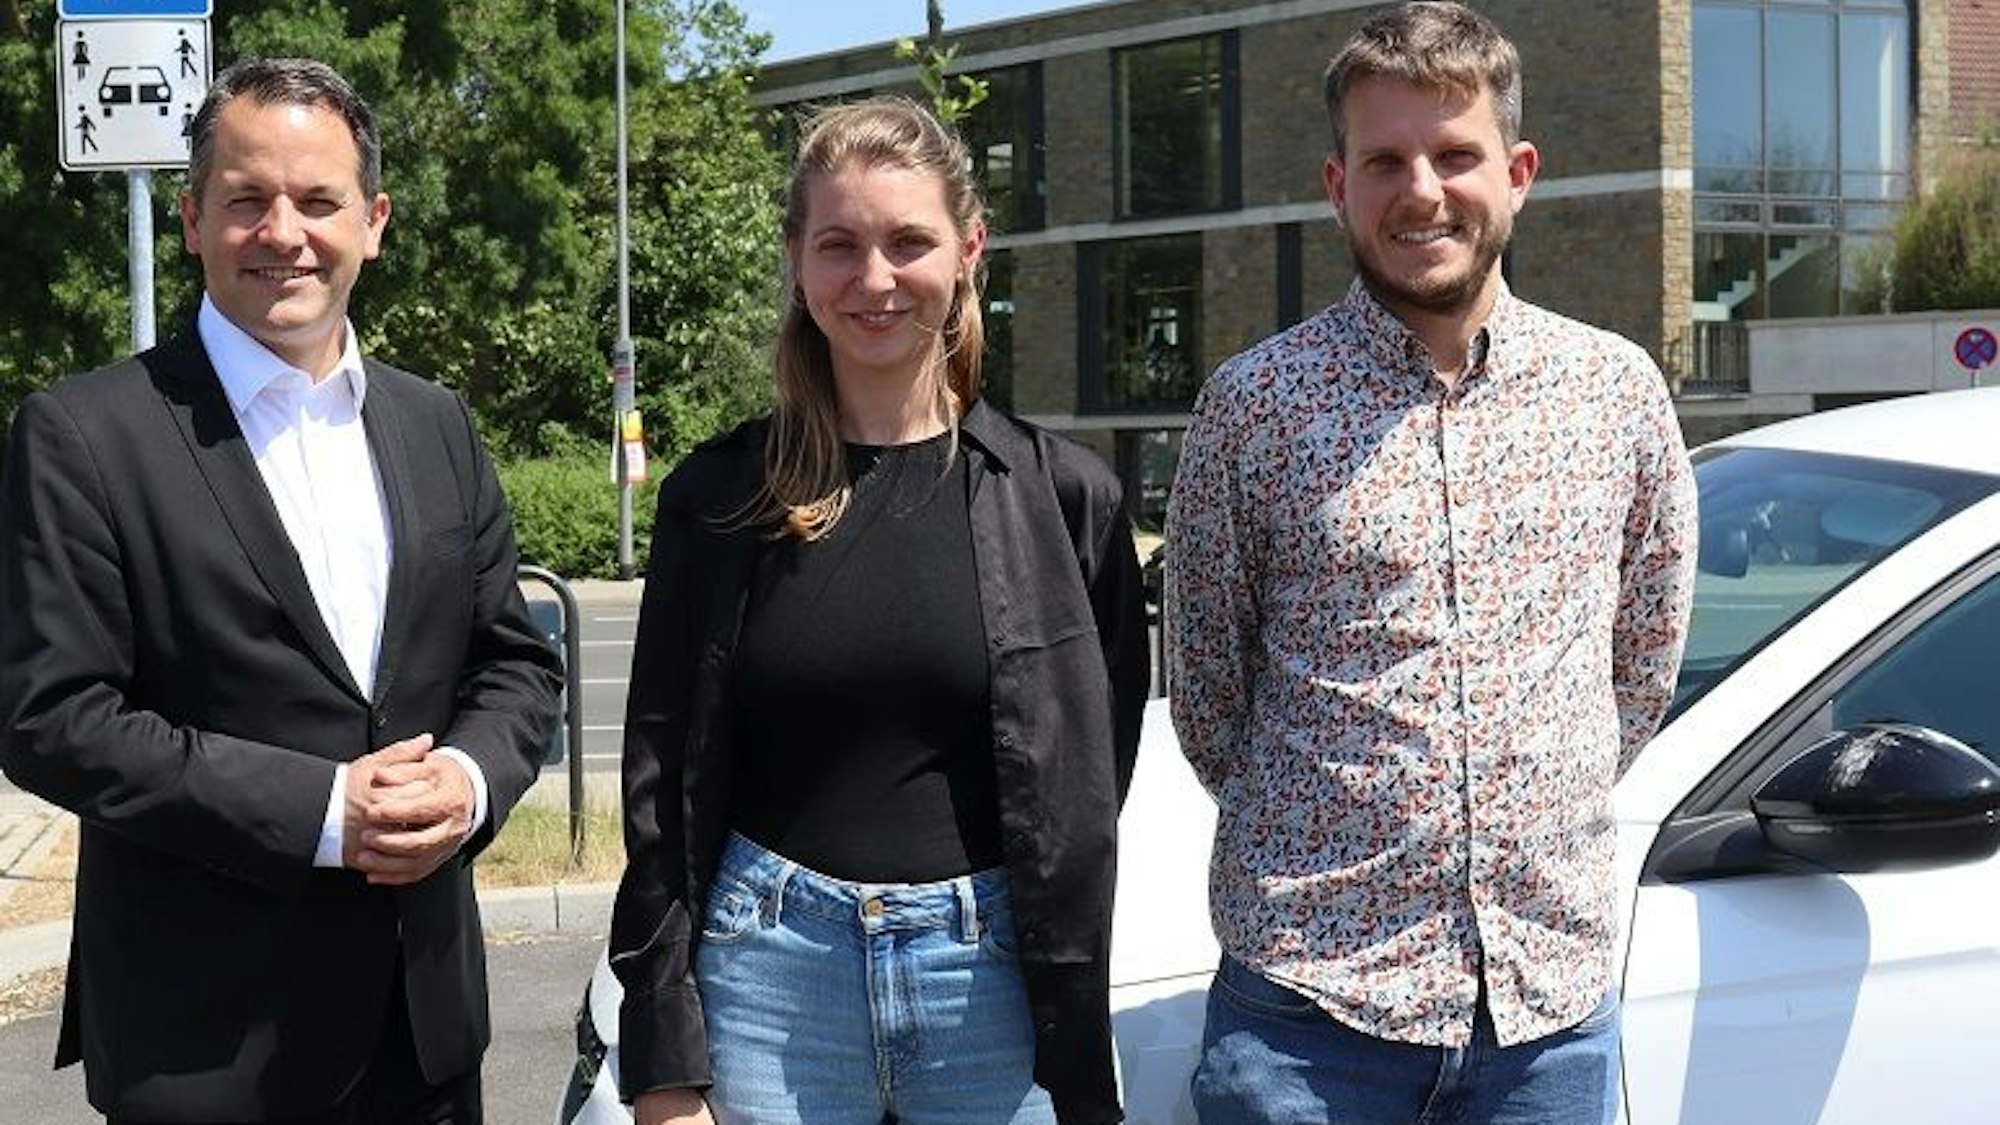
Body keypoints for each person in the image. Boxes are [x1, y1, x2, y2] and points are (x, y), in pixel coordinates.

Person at [0, 57, 562, 1124]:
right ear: (191, 221)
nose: (283, 232)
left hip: (424, 1036)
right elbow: (50, 717)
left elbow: (513, 662)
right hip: (205, 1054)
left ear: (375, 220)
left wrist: (469, 782)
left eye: (317, 201)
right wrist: (322, 810)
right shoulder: (84, 434)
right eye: (246, 200)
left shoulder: (434, 422)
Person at [1164, 4, 1698, 1123]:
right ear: (1335, 182)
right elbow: (1208, 695)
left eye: (1453, 156)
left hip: (1542, 1026)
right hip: (1305, 1021)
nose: (1421, 191)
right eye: (1384, 160)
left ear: (1516, 171)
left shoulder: (1613, 396)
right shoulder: (1253, 408)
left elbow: (1639, 666)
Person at [610, 96, 1149, 1125]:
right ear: (796, 261)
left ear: (968, 250)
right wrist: (665, 1064)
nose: (873, 280)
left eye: (908, 242)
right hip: (767, 982)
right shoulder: (718, 500)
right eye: (838, 245)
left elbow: (1090, 767)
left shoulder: (1065, 499)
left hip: (991, 985)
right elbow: (660, 791)